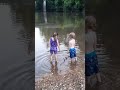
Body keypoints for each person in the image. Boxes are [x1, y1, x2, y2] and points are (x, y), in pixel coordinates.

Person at [85, 16, 101, 85]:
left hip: (87, 56)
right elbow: (95, 46)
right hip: (94, 54)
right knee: (97, 71)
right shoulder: (94, 34)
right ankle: (99, 82)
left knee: (88, 74)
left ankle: (88, 85)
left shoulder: (84, 35)